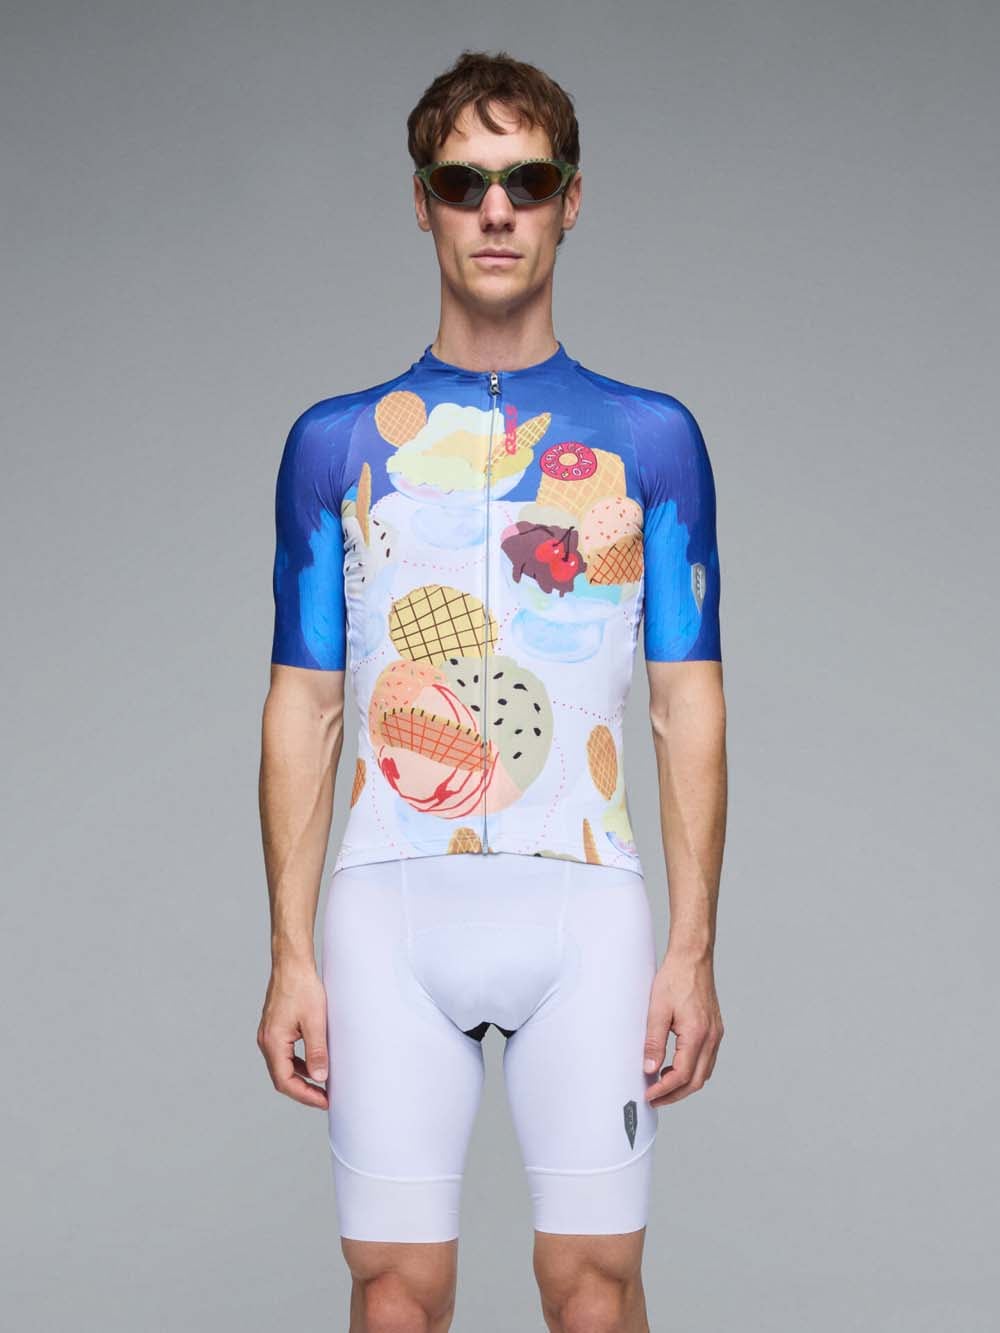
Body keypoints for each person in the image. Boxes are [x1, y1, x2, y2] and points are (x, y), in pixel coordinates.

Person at [257, 48, 727, 1333]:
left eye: (526, 179)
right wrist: (289, 953)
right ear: (422, 204)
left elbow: (686, 702)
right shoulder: (336, 444)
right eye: (464, 183)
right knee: (393, 1293)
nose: (497, 210)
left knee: (594, 1289)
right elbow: (303, 704)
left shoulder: (650, 440)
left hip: (586, 906)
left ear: (572, 198)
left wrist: (692, 949)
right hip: (387, 909)